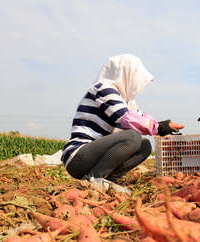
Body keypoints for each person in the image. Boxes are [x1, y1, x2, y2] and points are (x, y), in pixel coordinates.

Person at [62, 54, 184, 193]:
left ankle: (110, 182)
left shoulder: (125, 100)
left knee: (144, 146)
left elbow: (140, 117)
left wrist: (165, 127)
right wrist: (159, 127)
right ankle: (95, 178)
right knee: (132, 137)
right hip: (78, 157)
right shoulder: (102, 88)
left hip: (94, 158)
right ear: (126, 74)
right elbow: (126, 118)